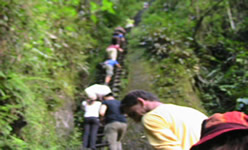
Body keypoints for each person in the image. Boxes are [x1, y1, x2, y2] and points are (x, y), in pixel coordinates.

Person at [120, 90, 208, 150]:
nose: (135, 120)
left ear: (141, 102)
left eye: (133, 114)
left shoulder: (152, 117)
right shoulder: (192, 111)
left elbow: (168, 148)